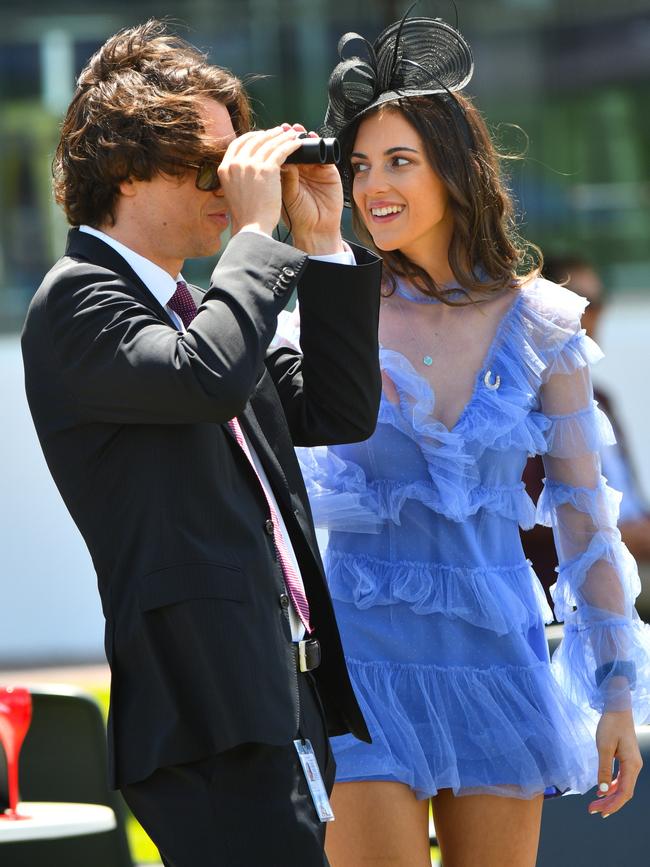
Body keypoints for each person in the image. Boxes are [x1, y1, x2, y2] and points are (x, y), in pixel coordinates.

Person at [276, 13, 650, 867]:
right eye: (360, 164)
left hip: (497, 659)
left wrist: (618, 695)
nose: (373, 185)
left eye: (399, 160)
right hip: (361, 660)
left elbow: (585, 521)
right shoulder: (329, 310)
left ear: (455, 168)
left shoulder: (542, 323)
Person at [21, 20, 383, 867]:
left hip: (275, 691)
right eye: (207, 163)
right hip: (202, 707)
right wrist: (257, 240)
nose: (232, 183)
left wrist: (322, 242)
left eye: (238, 160)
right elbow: (206, 377)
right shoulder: (77, 301)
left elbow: (335, 409)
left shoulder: (201, 310)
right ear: (124, 168)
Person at [522, 255, 650, 609]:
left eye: (598, 301)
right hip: (577, 582)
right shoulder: (523, 402)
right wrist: (623, 536)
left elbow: (629, 496)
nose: (591, 315)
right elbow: (528, 517)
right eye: (579, 300)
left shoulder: (603, 398)